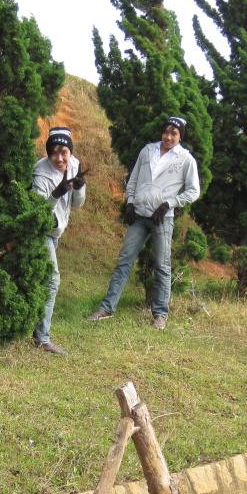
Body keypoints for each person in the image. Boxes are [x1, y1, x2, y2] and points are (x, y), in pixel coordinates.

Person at [88, 116, 200, 329]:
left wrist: (170, 204)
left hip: (162, 219)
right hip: (139, 216)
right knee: (124, 260)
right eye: (166, 132)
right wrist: (130, 202)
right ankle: (106, 308)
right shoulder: (147, 151)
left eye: (174, 134)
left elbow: (194, 191)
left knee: (162, 266)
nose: (168, 136)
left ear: (180, 136)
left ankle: (160, 315)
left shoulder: (186, 159)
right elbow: (134, 179)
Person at [31, 127, 86, 356]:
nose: (60, 158)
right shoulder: (40, 173)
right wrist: (55, 194)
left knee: (41, 279)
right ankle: (42, 338)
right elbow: (38, 214)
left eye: (64, 152)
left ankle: (36, 330)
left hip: (56, 232)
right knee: (52, 280)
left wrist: (80, 188)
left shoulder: (74, 164)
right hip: (41, 230)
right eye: (54, 153)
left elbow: (77, 204)